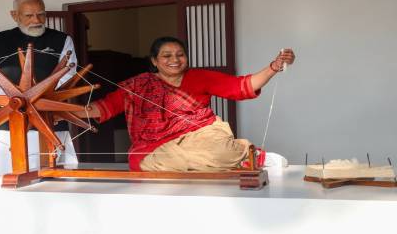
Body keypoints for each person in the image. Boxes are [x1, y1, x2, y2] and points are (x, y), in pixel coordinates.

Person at [79, 36, 294, 172]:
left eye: (180, 54)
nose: (175, 59)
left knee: (218, 152)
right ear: (154, 61)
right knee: (138, 162)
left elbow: (242, 86)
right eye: (167, 55)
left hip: (202, 136)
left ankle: (255, 157)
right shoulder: (138, 85)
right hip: (157, 147)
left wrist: (273, 67)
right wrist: (64, 112)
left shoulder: (200, 77)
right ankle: (230, 160)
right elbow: (104, 107)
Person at [0, 0, 78, 178]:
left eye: (41, 14)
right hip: (7, 115)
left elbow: (68, 74)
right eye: (29, 15)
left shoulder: (62, 40)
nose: (36, 20)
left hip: (48, 112)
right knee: (5, 174)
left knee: (52, 173)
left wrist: (39, 99)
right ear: (14, 15)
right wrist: (17, 101)